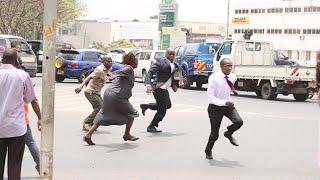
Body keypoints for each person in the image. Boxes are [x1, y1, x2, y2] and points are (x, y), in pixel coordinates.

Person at [83, 53, 139, 145]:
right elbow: (119, 73)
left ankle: (88, 135)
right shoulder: (129, 68)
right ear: (131, 62)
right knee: (132, 113)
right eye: (136, 61)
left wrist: (111, 75)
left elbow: (119, 74)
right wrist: (113, 75)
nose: (137, 63)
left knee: (103, 114)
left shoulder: (125, 68)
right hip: (117, 95)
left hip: (109, 93)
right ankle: (127, 134)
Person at [0, 49, 37, 179]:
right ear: (16, 61)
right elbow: (30, 98)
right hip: (16, 128)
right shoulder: (22, 75)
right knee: (14, 166)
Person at [204, 58, 243, 159]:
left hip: (227, 106)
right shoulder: (214, 78)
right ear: (221, 66)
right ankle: (208, 151)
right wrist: (224, 102)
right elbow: (211, 98)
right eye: (227, 66)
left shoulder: (233, 76)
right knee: (214, 134)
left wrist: (227, 101)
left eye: (231, 66)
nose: (230, 68)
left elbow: (228, 89)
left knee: (239, 122)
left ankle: (228, 133)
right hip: (215, 108)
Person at [139, 49, 184, 133]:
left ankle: (147, 106)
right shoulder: (160, 62)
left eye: (173, 54)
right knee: (162, 110)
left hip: (165, 89)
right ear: (166, 54)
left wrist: (181, 81)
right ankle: (151, 126)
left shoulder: (174, 63)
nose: (171, 55)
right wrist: (148, 85)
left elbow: (180, 69)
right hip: (159, 88)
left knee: (168, 105)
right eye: (169, 54)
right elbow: (150, 72)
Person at [75, 55, 122, 131]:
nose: (110, 63)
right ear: (103, 62)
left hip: (97, 92)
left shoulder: (108, 68)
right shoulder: (99, 70)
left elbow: (107, 75)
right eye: (108, 61)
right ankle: (86, 123)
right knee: (99, 108)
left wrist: (113, 77)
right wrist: (80, 87)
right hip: (90, 92)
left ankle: (92, 124)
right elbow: (89, 77)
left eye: (111, 61)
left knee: (102, 108)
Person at [15, 58, 42, 174]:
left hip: (5, 121)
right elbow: (33, 100)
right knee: (30, 142)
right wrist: (40, 118)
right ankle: (41, 165)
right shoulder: (24, 77)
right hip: (21, 120)